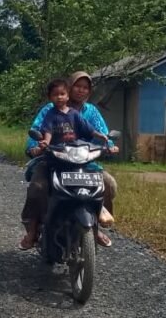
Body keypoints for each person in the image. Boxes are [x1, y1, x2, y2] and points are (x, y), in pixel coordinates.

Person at [19, 71, 119, 250]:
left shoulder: (90, 111)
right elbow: (38, 131)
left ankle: (95, 224)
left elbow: (100, 131)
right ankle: (33, 230)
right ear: (69, 88)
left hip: (84, 162)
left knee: (108, 184)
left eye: (85, 88)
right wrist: (35, 147)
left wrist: (109, 144)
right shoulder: (49, 110)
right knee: (37, 188)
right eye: (77, 87)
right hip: (54, 160)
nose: (81, 91)